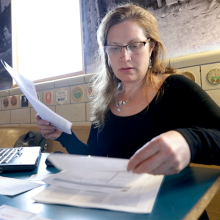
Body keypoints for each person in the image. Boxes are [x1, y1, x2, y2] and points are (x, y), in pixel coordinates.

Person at [36, 3, 220, 177]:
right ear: (106, 53)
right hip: (121, 203)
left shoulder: (177, 88)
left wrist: (189, 141)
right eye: (115, 48)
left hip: (173, 206)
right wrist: (63, 136)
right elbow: (95, 157)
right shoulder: (105, 99)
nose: (125, 57)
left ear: (151, 47)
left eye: (134, 45)